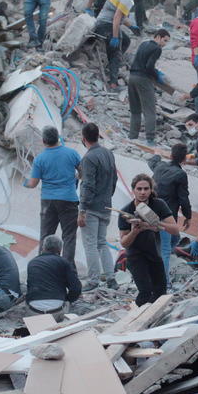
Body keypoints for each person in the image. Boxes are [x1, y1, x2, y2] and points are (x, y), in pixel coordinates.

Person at [117, 174, 180, 305]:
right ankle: (141, 315)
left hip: (154, 254)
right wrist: (135, 231)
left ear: (151, 190)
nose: (143, 192)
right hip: (135, 256)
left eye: (146, 189)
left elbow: (175, 229)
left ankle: (156, 315)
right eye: (139, 189)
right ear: (133, 190)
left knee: (160, 292)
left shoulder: (158, 204)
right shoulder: (126, 211)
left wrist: (155, 224)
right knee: (145, 292)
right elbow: (124, 243)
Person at [25, 126, 81, 264]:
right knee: (69, 237)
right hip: (69, 199)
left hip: (48, 200)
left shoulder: (40, 159)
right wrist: (75, 178)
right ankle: (67, 268)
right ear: (58, 138)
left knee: (45, 236)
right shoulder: (72, 153)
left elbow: (33, 183)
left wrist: (24, 182)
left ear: (43, 141)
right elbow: (83, 172)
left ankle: (43, 266)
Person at [77, 123, 118, 290]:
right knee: (102, 243)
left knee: (90, 244)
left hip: (92, 208)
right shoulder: (108, 153)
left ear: (83, 138)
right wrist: (107, 197)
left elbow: (88, 185)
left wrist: (82, 210)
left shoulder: (88, 158)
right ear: (98, 135)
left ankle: (93, 280)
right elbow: (114, 179)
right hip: (106, 206)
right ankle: (111, 278)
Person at [93, 0, 145, 90]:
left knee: (126, 41)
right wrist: (115, 37)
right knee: (116, 51)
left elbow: (119, 16)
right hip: (106, 25)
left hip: (102, 23)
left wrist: (132, 26)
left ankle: (112, 65)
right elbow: (116, 18)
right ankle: (113, 83)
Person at [148, 143, 192, 274]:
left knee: (174, 238)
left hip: (150, 213)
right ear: (184, 159)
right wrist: (188, 216)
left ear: (171, 155)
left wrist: (157, 154)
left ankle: (154, 269)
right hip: (166, 217)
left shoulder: (160, 166)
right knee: (165, 250)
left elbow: (151, 163)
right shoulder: (181, 174)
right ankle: (163, 282)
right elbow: (184, 198)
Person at [128, 29, 171, 145]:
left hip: (132, 77)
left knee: (135, 110)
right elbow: (149, 66)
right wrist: (157, 76)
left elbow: (140, 62)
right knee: (150, 110)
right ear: (158, 37)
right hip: (143, 79)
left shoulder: (143, 44)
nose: (165, 44)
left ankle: (132, 136)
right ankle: (150, 139)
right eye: (165, 40)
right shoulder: (157, 49)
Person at [26, 235, 81, 314]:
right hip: (56, 310)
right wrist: (67, 300)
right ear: (60, 249)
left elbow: (29, 287)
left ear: (43, 247)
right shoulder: (63, 262)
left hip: (34, 311)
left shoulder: (32, 263)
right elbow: (76, 289)